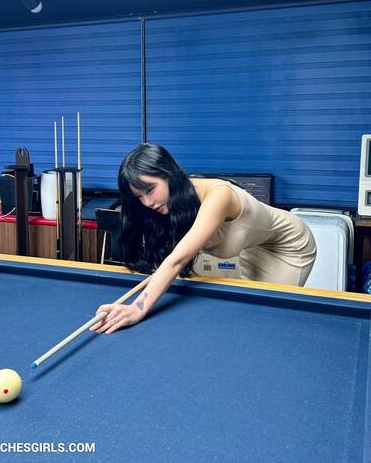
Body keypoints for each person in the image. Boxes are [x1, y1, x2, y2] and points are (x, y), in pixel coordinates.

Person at [90, 143, 316, 335]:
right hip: (254, 247)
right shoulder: (172, 203)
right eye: (140, 197)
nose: (147, 202)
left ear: (168, 173)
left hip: (288, 246)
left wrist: (137, 308)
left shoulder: (219, 196)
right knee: (247, 316)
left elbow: (177, 259)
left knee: (266, 320)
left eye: (149, 190)